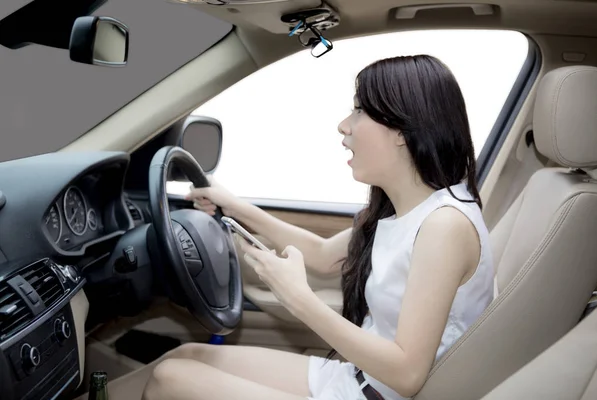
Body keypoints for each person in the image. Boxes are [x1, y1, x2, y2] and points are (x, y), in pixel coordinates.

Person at [140, 54, 495, 400]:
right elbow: (323, 255)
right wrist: (236, 206)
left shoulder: (445, 226)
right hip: (357, 377)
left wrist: (298, 297)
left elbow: (407, 374)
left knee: (168, 380)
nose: (344, 125)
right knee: (184, 356)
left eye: (359, 110)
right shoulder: (406, 208)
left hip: (378, 390)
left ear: (401, 130)